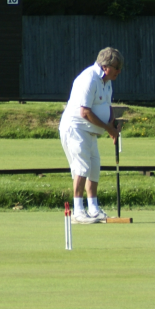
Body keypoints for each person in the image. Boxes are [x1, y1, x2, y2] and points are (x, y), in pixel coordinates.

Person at [59, 47, 124, 223]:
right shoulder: (89, 79)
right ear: (105, 66)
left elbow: (107, 107)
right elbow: (85, 112)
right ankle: (78, 211)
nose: (119, 71)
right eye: (116, 67)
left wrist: (113, 124)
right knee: (81, 167)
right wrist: (108, 129)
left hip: (90, 130)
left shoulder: (107, 81)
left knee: (94, 166)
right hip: (75, 128)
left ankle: (93, 209)